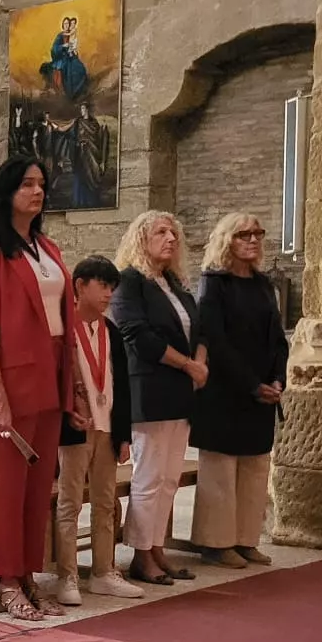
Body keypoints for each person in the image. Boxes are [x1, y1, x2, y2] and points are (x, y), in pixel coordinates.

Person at [0, 157, 76, 620]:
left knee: (38, 489)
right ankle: (7, 579)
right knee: (8, 489)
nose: (37, 191)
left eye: (42, 184)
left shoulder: (46, 246)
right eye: (27, 184)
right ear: (7, 191)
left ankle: (30, 574)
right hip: (10, 380)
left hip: (50, 373)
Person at [111, 209, 206, 587]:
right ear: (141, 239)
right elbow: (137, 334)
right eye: (161, 232)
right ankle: (140, 555)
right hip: (149, 389)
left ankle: (157, 548)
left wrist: (199, 363)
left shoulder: (174, 282)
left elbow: (199, 329)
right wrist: (187, 365)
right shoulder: (129, 281)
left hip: (181, 391)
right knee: (148, 476)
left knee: (169, 478)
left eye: (174, 233)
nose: (170, 238)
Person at [190, 213, 287, 570]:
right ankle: (216, 543)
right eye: (244, 234)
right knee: (221, 469)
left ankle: (246, 540)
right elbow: (215, 338)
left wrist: (278, 379)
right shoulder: (214, 283)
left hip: (262, 391)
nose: (253, 239)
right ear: (226, 240)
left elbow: (278, 338)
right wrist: (250, 383)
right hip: (226, 390)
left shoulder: (263, 284)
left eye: (258, 233)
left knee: (254, 468)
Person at [53, 256, 142, 605]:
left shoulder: (112, 332)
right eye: (102, 286)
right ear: (79, 286)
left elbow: (122, 385)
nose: (108, 294)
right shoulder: (63, 329)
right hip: (76, 429)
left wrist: (124, 435)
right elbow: (56, 381)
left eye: (111, 288)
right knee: (70, 502)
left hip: (107, 427)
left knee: (106, 503)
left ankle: (104, 572)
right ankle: (67, 575)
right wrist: (67, 413)